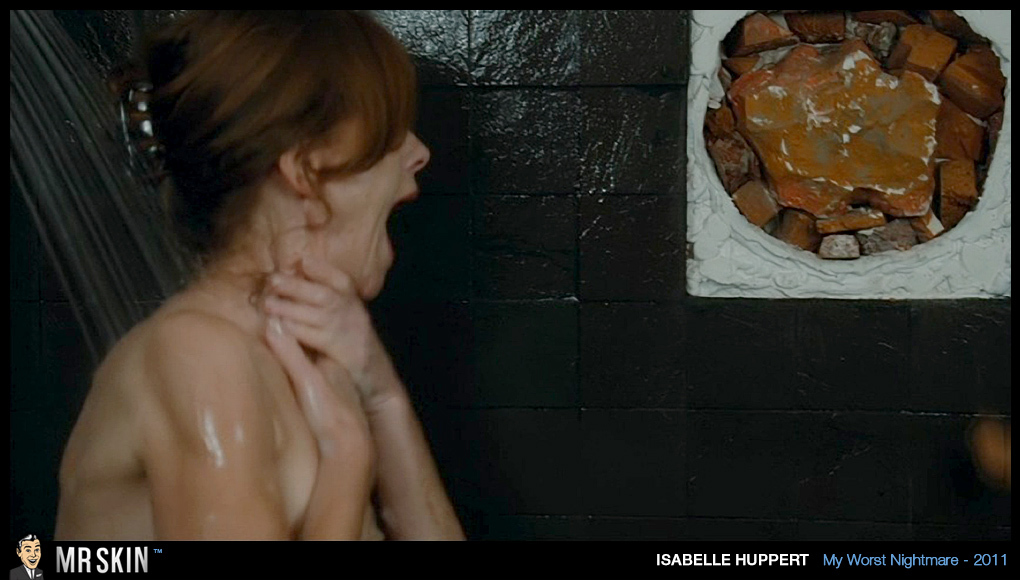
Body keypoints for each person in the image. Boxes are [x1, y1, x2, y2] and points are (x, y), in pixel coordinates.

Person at [54, 10, 464, 540]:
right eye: (388, 132)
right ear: (305, 170)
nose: (418, 153)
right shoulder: (199, 354)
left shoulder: (309, 350)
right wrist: (348, 460)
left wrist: (381, 391)